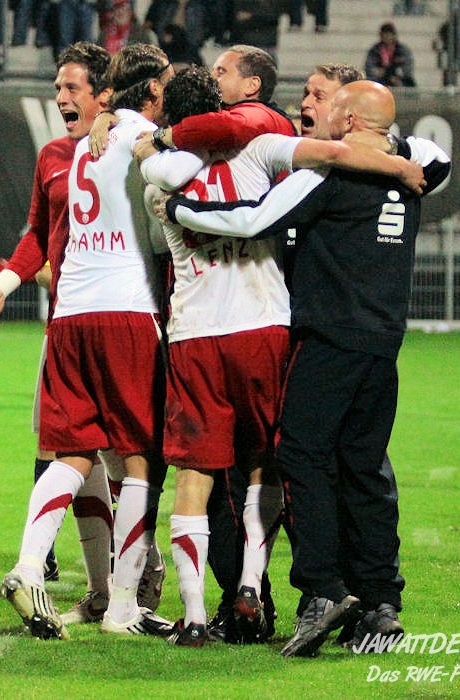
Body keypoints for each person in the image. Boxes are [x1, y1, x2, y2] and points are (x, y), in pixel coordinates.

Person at [158, 79, 450, 658]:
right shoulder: (411, 172)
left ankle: (321, 590)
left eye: (326, 102)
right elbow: (435, 157)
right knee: (363, 468)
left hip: (326, 340)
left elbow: (250, 222)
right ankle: (379, 602)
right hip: (384, 345)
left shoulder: (326, 177)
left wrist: (177, 209)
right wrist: (393, 162)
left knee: (299, 455)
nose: (312, 111)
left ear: (346, 121)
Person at [89, 43, 298, 644]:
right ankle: (253, 582)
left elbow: (158, 252)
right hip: (263, 324)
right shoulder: (259, 153)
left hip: (196, 335)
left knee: (193, 477)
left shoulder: (159, 183)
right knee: (263, 465)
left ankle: (198, 616)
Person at [0, 42, 116, 592]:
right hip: (68, 325)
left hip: (127, 321)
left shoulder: (132, 148)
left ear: (103, 94)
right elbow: (36, 234)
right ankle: (67, 566)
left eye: (71, 88)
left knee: (127, 457)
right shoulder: (53, 155)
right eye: (57, 88)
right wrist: (3, 285)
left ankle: (131, 580)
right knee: (58, 443)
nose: (60, 98)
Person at [364, 22, 416, 88]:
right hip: (380, 80)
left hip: (399, 79)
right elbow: (369, 67)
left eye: (389, 34)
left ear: (394, 35)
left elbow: (408, 67)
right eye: (385, 34)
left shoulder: (403, 50)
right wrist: (377, 72)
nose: (387, 37)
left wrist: (397, 76)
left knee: (409, 84)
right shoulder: (374, 50)